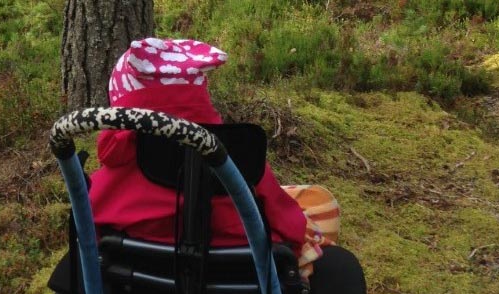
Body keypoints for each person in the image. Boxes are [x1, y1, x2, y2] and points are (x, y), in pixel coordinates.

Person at [88, 37, 339, 278]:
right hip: (239, 282)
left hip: (142, 285)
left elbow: (89, 227)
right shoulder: (239, 160)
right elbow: (288, 226)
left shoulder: (113, 178)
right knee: (322, 202)